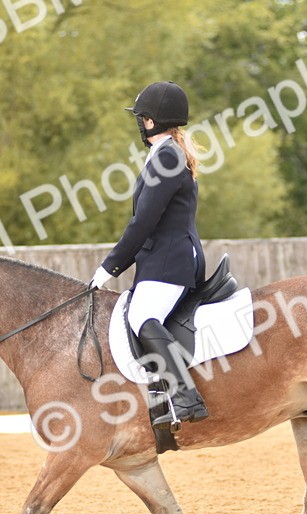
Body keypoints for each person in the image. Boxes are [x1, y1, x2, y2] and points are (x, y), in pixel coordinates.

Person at [89, 80, 209, 428]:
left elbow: (143, 222)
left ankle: (186, 399)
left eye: (141, 118)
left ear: (151, 121)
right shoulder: (166, 153)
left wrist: (109, 267)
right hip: (167, 259)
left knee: (142, 316)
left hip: (171, 263)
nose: (139, 124)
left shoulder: (167, 156)